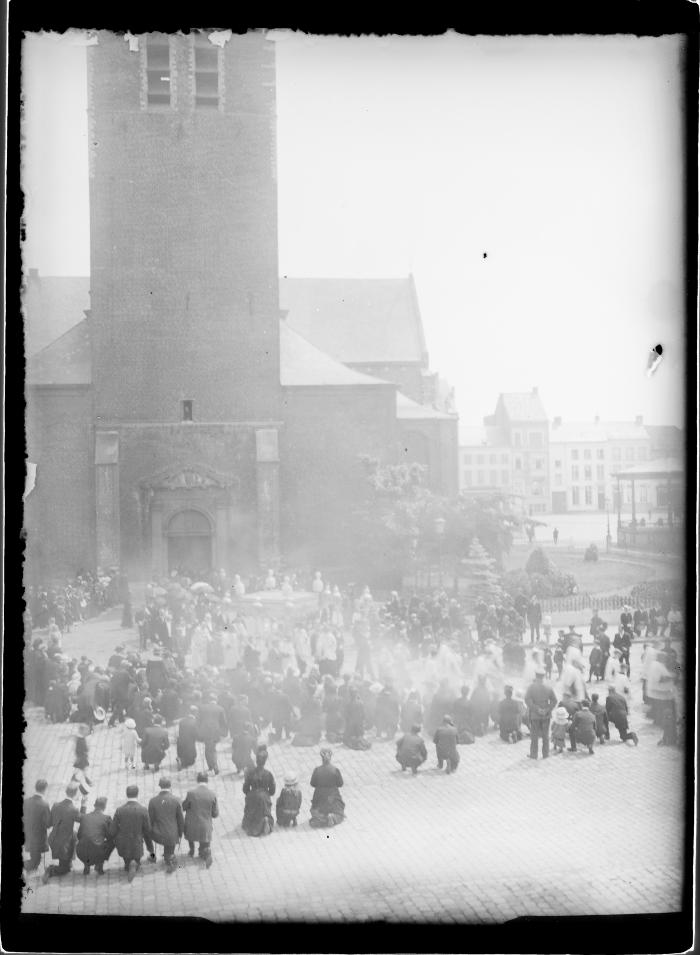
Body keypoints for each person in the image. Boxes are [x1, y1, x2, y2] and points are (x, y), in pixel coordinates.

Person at [110, 784, 155, 883]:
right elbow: (148, 829)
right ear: (137, 794)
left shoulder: (119, 810)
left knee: (126, 864)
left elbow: (112, 830)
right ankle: (135, 863)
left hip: (124, 845)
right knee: (136, 858)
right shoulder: (143, 810)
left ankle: (130, 864)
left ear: (126, 794)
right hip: (137, 844)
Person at [42, 784, 87, 882]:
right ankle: (51, 870)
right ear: (75, 796)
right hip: (63, 845)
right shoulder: (73, 809)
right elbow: (83, 819)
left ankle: (67, 861)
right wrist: (83, 805)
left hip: (53, 840)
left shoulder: (56, 805)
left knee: (74, 835)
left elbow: (49, 823)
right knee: (65, 869)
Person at [148, 778, 184, 874]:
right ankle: (170, 858)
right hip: (173, 834)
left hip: (158, 834)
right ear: (170, 786)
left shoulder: (153, 801)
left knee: (166, 841)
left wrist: (150, 833)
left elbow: (150, 821)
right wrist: (180, 833)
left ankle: (168, 857)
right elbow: (180, 820)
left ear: (160, 786)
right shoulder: (177, 800)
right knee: (170, 843)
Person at [182, 772, 218, 866]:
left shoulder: (191, 793)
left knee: (190, 834)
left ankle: (191, 850)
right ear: (207, 780)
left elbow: (184, 807)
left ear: (197, 780)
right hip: (205, 826)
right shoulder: (212, 794)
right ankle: (206, 852)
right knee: (205, 842)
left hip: (192, 825)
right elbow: (215, 814)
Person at [242, 746, 276, 837]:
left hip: (252, 796)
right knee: (265, 812)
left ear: (256, 760)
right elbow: (272, 791)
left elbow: (245, 789)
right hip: (264, 797)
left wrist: (250, 794)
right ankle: (265, 821)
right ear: (265, 762)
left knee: (248, 819)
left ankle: (254, 825)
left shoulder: (250, 773)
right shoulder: (269, 774)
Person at [524, 668, 557, 760]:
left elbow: (527, 700)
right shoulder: (549, 687)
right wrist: (547, 709)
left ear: (536, 676)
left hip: (535, 715)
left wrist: (537, 709)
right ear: (543, 676)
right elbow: (554, 700)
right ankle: (545, 754)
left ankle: (534, 755)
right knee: (545, 735)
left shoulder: (531, 687)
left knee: (534, 735)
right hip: (546, 715)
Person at [76, 796, 114, 876]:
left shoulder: (85, 817)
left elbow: (79, 835)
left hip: (81, 852)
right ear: (104, 807)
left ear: (94, 805)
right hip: (97, 853)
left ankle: (87, 865)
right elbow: (110, 836)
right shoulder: (106, 818)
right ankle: (99, 865)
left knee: (86, 842)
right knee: (112, 842)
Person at [309, 748, 345, 827]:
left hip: (319, 797)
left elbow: (312, 783)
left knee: (316, 813)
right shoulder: (335, 770)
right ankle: (333, 817)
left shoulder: (317, 770)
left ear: (321, 758)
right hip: (333, 797)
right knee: (340, 814)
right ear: (330, 758)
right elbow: (340, 784)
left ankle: (321, 819)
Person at [23, 778, 50, 872]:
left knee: (35, 857)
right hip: (38, 838)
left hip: (28, 835)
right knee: (35, 862)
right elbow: (47, 824)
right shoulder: (44, 804)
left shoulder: (26, 801)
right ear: (45, 789)